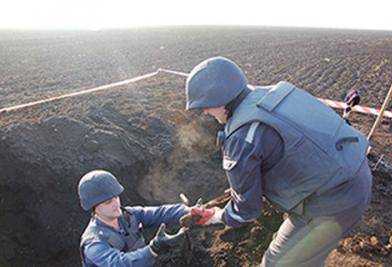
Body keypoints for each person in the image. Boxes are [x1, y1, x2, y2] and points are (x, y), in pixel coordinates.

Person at [185, 56, 372, 266]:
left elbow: (247, 211)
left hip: (334, 201)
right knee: (306, 256)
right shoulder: (274, 93)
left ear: (221, 98)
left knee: (277, 262)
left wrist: (216, 217)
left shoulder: (241, 137)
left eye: (205, 105)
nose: (204, 111)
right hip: (356, 172)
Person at [78, 170, 189, 267]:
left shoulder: (128, 215)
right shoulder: (93, 242)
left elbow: (159, 213)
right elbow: (118, 264)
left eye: (116, 197)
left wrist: (188, 211)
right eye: (108, 202)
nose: (116, 204)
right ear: (94, 208)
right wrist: (153, 249)